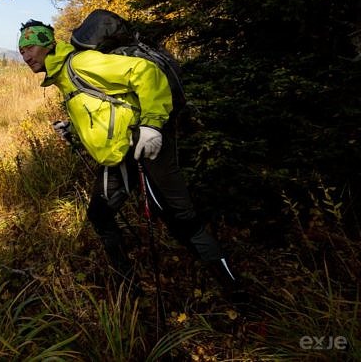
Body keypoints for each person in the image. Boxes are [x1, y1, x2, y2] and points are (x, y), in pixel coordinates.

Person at [18, 19, 241, 296]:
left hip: (145, 146)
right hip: (119, 155)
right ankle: (128, 287)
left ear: (48, 44)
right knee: (100, 214)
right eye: (21, 52)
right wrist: (73, 130)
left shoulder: (81, 63)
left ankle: (236, 294)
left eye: (30, 48)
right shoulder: (64, 76)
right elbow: (102, 107)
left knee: (179, 218)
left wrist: (151, 125)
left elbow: (146, 72)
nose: (26, 56)